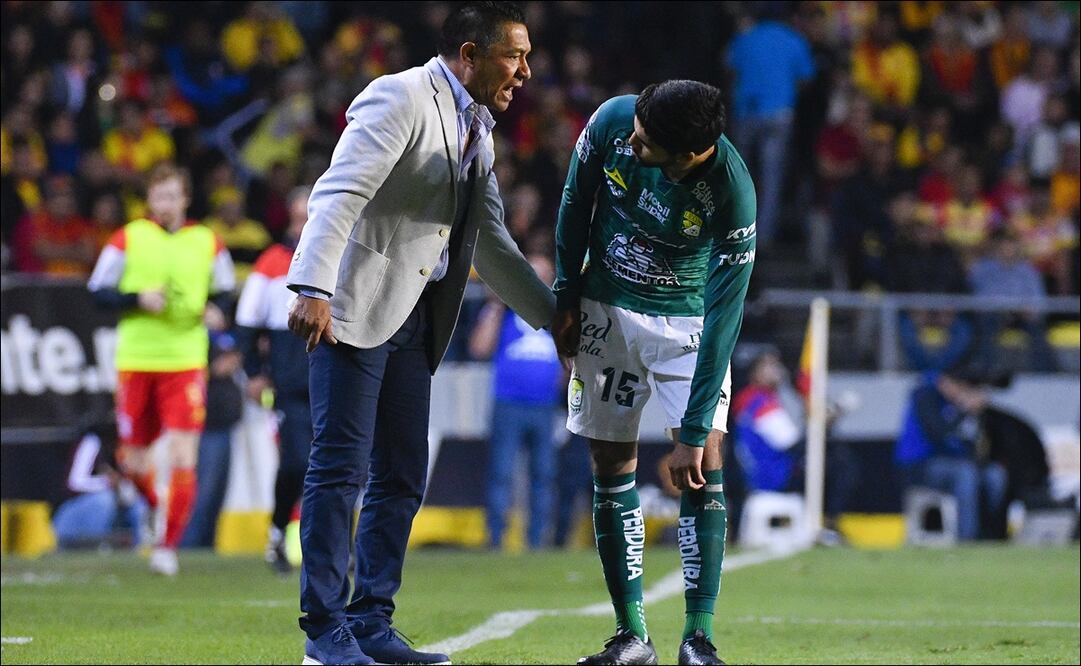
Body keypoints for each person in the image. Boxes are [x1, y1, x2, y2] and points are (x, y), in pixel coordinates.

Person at [284, 4, 554, 665]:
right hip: (355, 308)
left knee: (401, 475)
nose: (524, 70)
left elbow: (489, 241)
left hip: (416, 316)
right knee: (339, 470)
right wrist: (312, 287)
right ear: (469, 54)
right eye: (513, 55)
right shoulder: (399, 95)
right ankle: (324, 631)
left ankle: (371, 621)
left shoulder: (477, 130)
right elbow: (338, 193)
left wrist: (554, 321)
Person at [551, 80, 757, 666]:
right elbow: (575, 200)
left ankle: (698, 637)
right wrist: (567, 297)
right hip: (606, 311)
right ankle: (632, 636)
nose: (632, 144)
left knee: (703, 461)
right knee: (610, 462)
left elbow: (726, 314)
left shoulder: (731, 194)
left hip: (687, 326)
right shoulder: (614, 121)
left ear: (689, 155)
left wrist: (693, 430)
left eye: (647, 144)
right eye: (635, 130)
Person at [87, 163, 236, 576]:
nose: (165, 204)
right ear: (149, 200)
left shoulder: (207, 242)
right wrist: (135, 297)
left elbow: (225, 292)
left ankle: (167, 546)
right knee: (132, 460)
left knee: (183, 453)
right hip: (137, 359)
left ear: (185, 198)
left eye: (172, 196)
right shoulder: (128, 237)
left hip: (185, 360)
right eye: (158, 197)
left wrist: (217, 312)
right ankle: (155, 506)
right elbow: (97, 292)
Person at [234, 185, 313, 575]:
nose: (303, 225)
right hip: (290, 385)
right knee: (297, 463)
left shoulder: (340, 255)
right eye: (299, 217)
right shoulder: (271, 263)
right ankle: (279, 532)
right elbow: (247, 325)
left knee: (343, 467)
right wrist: (252, 373)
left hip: (334, 381)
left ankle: (338, 548)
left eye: (310, 217)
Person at [468, 253, 563, 550]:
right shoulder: (504, 312)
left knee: (544, 475)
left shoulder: (556, 314)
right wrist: (496, 305)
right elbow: (479, 348)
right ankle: (495, 539)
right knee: (501, 473)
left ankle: (537, 542)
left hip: (544, 406)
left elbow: (571, 358)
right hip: (508, 403)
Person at [731, 350, 857, 540]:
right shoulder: (761, 403)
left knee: (831, 460)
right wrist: (827, 419)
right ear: (754, 374)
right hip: (774, 473)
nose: (777, 371)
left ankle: (822, 524)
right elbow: (793, 445)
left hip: (759, 472)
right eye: (769, 366)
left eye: (777, 365)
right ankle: (829, 525)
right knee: (841, 466)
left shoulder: (753, 399)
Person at [895, 367, 1009, 541]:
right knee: (965, 474)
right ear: (945, 381)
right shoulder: (925, 397)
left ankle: (992, 536)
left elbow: (973, 444)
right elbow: (938, 435)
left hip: (955, 463)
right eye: (959, 385)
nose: (962, 390)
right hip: (920, 466)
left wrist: (978, 415)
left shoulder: (956, 405)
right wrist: (964, 410)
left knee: (995, 474)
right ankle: (967, 539)